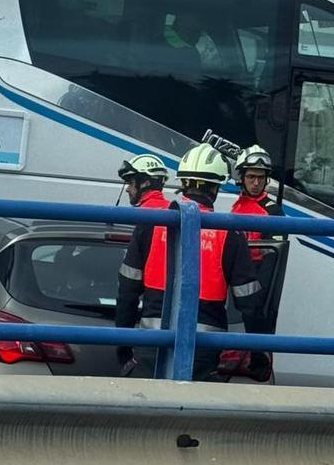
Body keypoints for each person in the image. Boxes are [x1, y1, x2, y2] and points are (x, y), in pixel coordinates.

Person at [115, 145, 265, 381]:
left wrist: (122, 348)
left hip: (150, 346)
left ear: (183, 183)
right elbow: (250, 304)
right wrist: (259, 355)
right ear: (216, 187)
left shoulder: (149, 223)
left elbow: (127, 291)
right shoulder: (230, 233)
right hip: (203, 352)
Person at [222, 144, 284, 380]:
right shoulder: (236, 206)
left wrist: (259, 296)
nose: (256, 182)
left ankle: (257, 361)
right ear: (242, 177)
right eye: (251, 177)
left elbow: (274, 258)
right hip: (231, 280)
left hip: (255, 282)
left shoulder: (273, 212)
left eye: (260, 178)